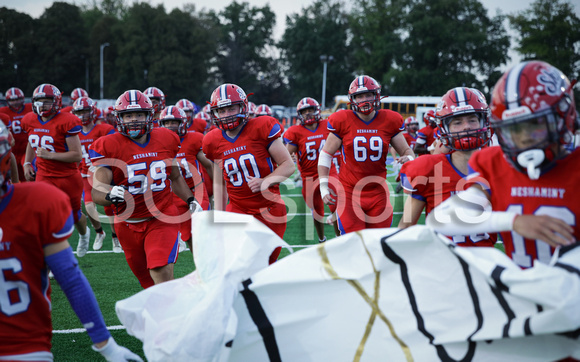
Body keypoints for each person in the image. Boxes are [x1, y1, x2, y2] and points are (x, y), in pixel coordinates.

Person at [0, 122, 142, 362]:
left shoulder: (36, 203)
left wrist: (106, 344)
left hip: (26, 346)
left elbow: (71, 279)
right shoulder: (38, 199)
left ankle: (91, 234)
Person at [427, 60, 579, 268]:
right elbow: (441, 219)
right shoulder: (492, 163)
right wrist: (513, 221)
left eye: (534, 124)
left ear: (563, 118)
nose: (524, 138)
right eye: (514, 129)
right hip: (519, 293)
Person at [90, 90, 199, 288]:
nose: (134, 120)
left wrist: (191, 200)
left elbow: (174, 176)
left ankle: (175, 318)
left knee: (160, 273)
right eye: (128, 115)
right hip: (127, 223)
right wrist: (109, 194)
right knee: (148, 284)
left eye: (139, 114)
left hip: (162, 217)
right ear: (119, 118)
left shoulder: (166, 138)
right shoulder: (108, 145)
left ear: (150, 116)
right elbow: (96, 192)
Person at [202, 83, 295, 263]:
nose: (227, 114)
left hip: (269, 208)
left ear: (243, 107)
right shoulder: (212, 140)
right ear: (215, 114)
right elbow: (220, 183)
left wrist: (265, 181)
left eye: (231, 108)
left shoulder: (262, 127)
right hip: (238, 209)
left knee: (264, 264)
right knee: (238, 263)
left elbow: (288, 165)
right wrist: (220, 216)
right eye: (222, 111)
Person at [398, 87, 496, 247]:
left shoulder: (498, 167)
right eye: (457, 122)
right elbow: (405, 227)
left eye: (472, 120)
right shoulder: (428, 168)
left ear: (483, 122)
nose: (466, 127)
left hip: (485, 264)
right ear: (444, 128)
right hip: (442, 264)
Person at [318, 75, 415, 235]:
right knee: (354, 243)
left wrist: (409, 160)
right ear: (352, 99)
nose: (364, 99)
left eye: (368, 94)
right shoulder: (342, 119)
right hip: (349, 193)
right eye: (359, 96)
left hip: (378, 193)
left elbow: (406, 151)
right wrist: (323, 185)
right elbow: (326, 154)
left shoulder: (390, 120)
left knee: (377, 242)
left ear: (376, 95)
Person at [21, 83, 91, 257]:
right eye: (39, 101)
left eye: (47, 101)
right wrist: (27, 163)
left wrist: (49, 155)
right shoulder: (29, 119)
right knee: (47, 215)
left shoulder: (67, 121)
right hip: (44, 175)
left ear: (57, 101)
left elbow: (76, 156)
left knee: (74, 215)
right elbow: (32, 141)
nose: (42, 105)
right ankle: (54, 256)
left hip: (67, 176)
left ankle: (84, 234)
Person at [284, 97, 340, 242]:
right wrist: (290, 157)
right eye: (305, 111)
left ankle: (340, 239)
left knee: (336, 205)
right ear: (299, 115)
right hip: (308, 177)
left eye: (311, 110)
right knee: (317, 212)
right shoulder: (295, 132)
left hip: (329, 172)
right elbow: (286, 155)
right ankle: (322, 239)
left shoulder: (328, 125)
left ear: (317, 110)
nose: (308, 113)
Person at [158, 105, 212, 251]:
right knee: (188, 235)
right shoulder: (157, 144)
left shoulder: (194, 139)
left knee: (203, 229)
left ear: (182, 123)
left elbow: (209, 165)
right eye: (166, 123)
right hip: (175, 195)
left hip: (197, 190)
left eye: (173, 122)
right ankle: (201, 264)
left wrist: (219, 187)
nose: (170, 126)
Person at [72, 96, 117, 252]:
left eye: (85, 111)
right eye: (79, 112)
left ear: (92, 111)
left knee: (109, 205)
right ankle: (99, 232)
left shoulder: (104, 129)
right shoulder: (73, 132)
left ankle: (115, 236)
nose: (82, 115)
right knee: (89, 206)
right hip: (85, 174)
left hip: (103, 172)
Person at [0, 87, 33, 182]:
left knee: (28, 173)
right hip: (12, 150)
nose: (15, 102)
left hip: (27, 150)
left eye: (17, 99)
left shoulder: (30, 108)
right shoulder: (3, 113)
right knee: (13, 177)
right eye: (12, 100)